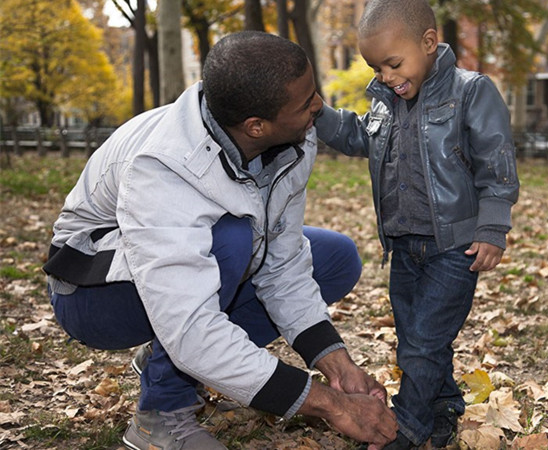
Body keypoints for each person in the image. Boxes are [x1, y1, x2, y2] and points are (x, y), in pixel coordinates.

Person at [44, 31, 397, 450]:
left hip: (175, 275)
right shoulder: (164, 167)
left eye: (313, 92)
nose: (319, 106)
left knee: (335, 258)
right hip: (90, 292)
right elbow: (192, 326)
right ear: (256, 125)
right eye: (305, 103)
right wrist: (332, 406)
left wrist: (338, 366)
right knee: (231, 241)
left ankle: (168, 361)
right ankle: (160, 414)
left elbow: (281, 265)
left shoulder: (292, 135)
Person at [314, 0, 519, 448]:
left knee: (423, 342)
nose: (386, 76)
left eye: (392, 63)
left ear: (428, 43)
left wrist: (492, 228)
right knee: (416, 336)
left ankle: (404, 426)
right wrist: (319, 114)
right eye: (376, 67)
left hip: (454, 247)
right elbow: (356, 136)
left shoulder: (470, 91)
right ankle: (443, 406)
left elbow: (496, 162)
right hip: (405, 246)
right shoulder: (386, 104)